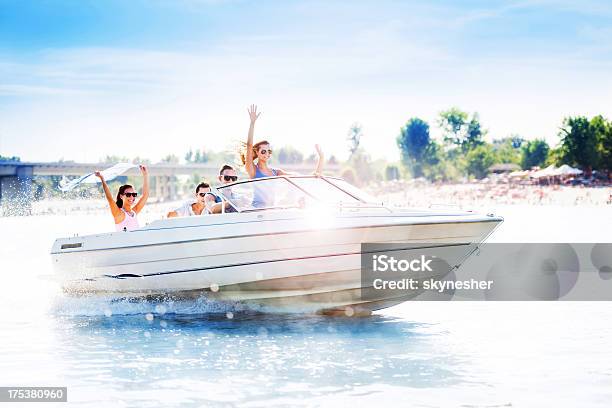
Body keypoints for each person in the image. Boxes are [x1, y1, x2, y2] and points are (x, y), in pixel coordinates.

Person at [241, 104, 324, 207]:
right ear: (257, 153)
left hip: (271, 210)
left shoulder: (276, 172)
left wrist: (321, 159)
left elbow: (298, 178)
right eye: (263, 151)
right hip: (256, 209)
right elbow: (249, 145)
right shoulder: (253, 170)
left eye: (269, 151)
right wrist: (252, 123)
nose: (266, 154)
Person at [95, 165, 149, 231]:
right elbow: (110, 199)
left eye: (134, 194)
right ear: (121, 196)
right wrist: (102, 179)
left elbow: (145, 196)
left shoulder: (134, 212)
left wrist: (145, 175)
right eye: (128, 194)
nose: (132, 197)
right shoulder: (119, 214)